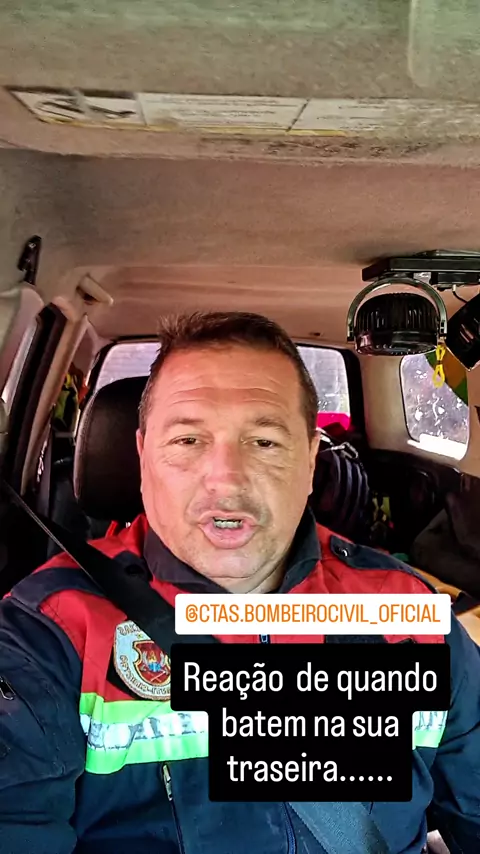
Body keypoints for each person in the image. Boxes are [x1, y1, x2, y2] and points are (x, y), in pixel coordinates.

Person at [0, 311, 478, 854]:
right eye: (188, 440)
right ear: (142, 458)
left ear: (311, 460)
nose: (226, 479)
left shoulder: (407, 612)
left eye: (265, 442)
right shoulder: (49, 630)